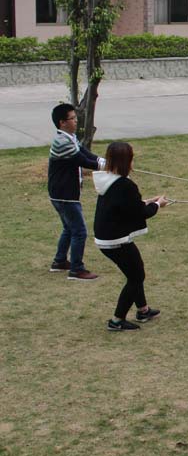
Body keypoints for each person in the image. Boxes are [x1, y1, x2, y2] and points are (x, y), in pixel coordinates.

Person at [93, 142, 169, 331]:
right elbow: (140, 213)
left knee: (134, 272)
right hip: (114, 240)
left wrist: (147, 201)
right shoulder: (125, 185)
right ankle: (116, 321)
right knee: (136, 276)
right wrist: (158, 205)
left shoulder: (108, 179)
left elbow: (126, 206)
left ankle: (143, 310)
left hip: (107, 236)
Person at [47, 103, 103, 280]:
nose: (76, 121)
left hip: (62, 193)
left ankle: (59, 262)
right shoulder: (62, 142)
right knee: (79, 231)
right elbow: (81, 160)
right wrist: (107, 166)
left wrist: (103, 161)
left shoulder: (70, 137)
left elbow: (85, 152)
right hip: (64, 195)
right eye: (72, 118)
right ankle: (76, 270)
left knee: (69, 228)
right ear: (62, 122)